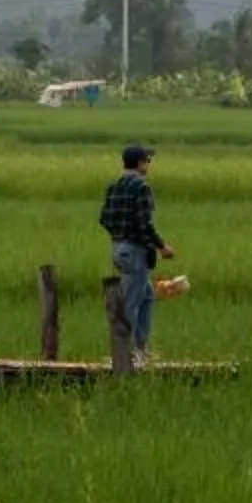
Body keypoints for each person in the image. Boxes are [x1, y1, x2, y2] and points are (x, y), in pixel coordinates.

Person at [98, 144, 172, 362]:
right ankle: (124, 353)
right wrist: (162, 246)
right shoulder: (141, 187)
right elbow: (144, 224)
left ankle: (140, 348)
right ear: (140, 163)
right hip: (135, 251)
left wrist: (119, 234)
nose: (149, 165)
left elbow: (104, 218)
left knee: (146, 296)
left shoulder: (115, 185)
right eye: (148, 161)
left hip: (118, 248)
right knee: (131, 300)